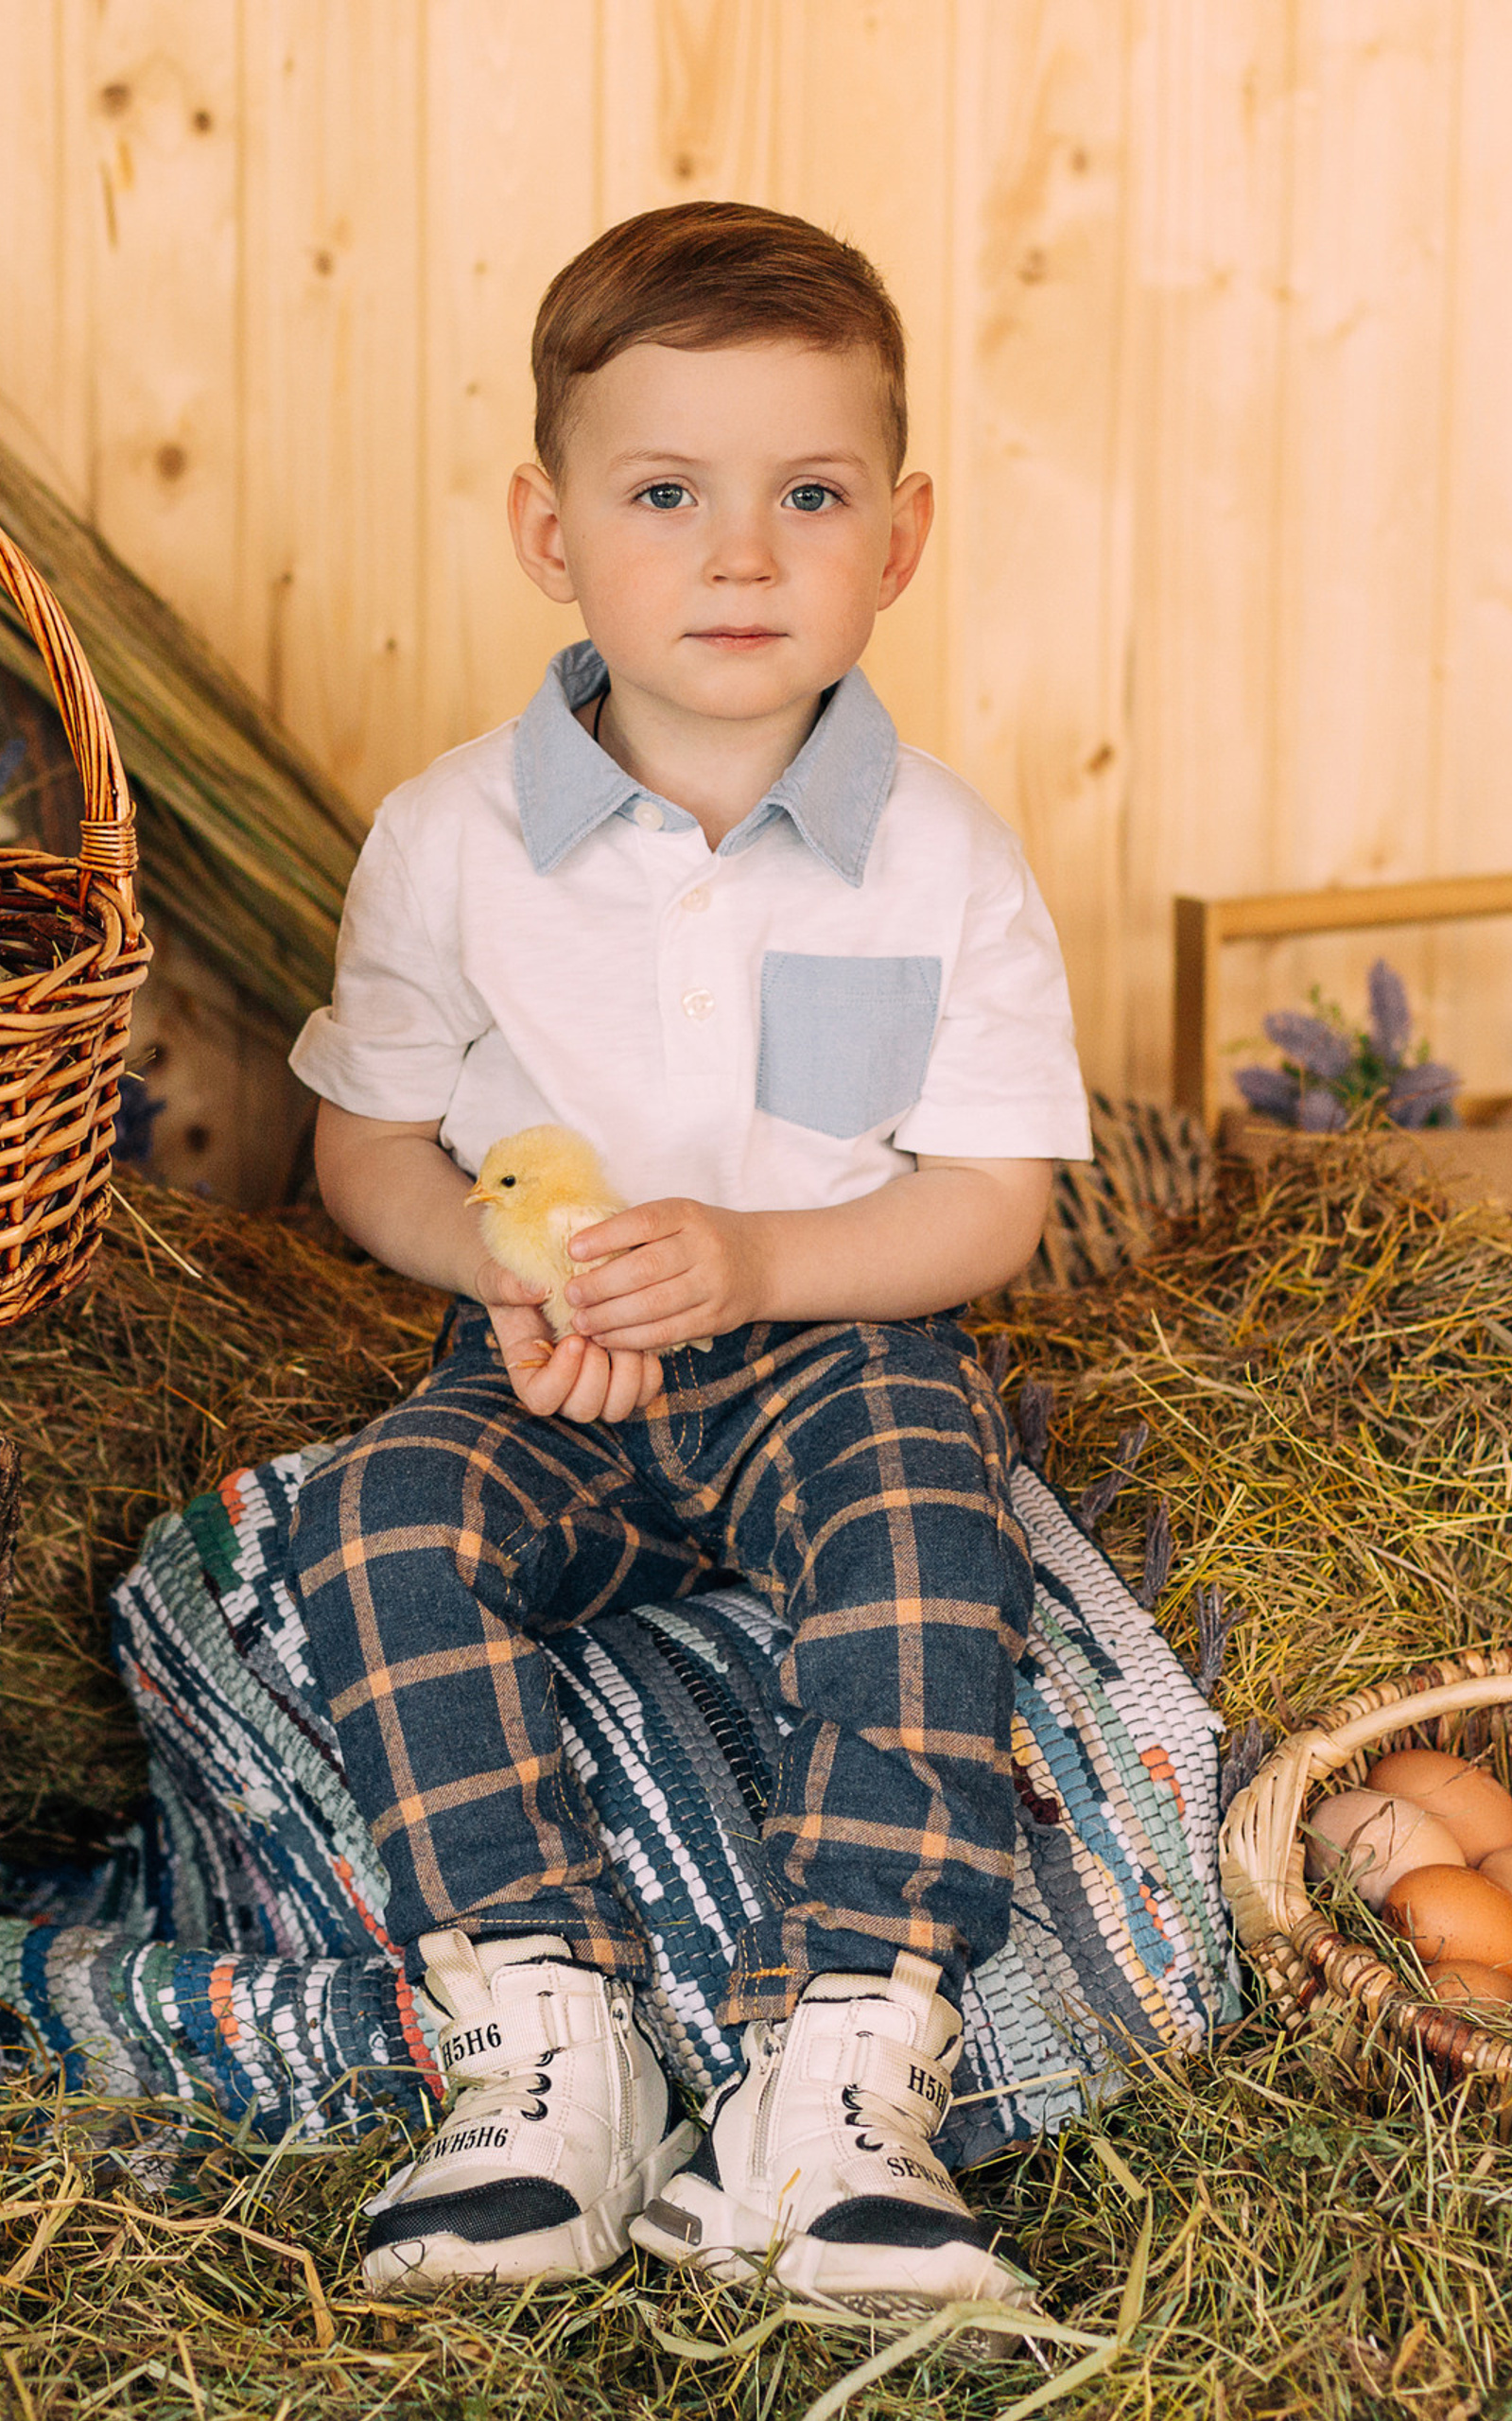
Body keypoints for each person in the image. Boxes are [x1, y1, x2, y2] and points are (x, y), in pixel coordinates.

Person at [285, 200, 1089, 2318]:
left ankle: (837, 2077)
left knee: (930, 1513)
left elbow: (985, 1204)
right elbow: (358, 1136)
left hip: (831, 1334)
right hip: (546, 1365)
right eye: (666, 495)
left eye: (805, 495)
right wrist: (496, 1264)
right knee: (375, 1517)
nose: (740, 558)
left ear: (896, 536)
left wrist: (752, 1255)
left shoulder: (944, 857)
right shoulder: (448, 840)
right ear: (548, 532)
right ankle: (545, 2044)